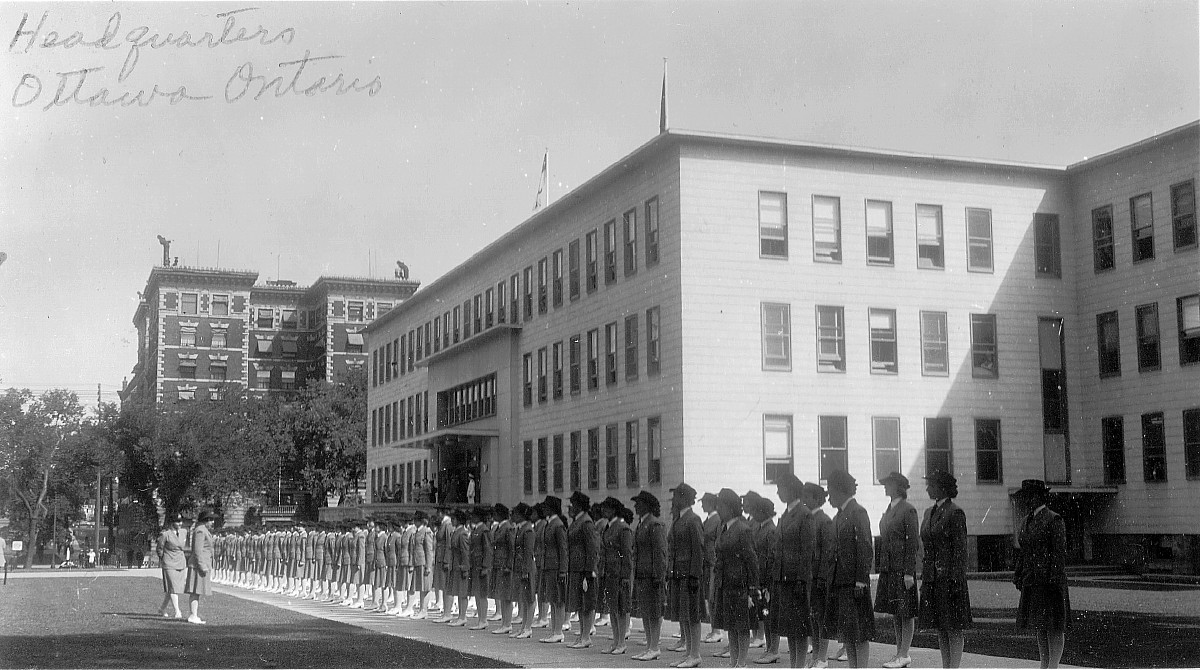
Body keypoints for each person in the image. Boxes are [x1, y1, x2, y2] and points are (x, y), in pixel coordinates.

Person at [918, 471, 972, 668]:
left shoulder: (955, 512)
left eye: (930, 485)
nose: (927, 488)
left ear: (942, 488)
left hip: (950, 580)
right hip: (932, 579)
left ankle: (954, 667)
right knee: (941, 627)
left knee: (953, 627)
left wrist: (957, 581)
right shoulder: (928, 512)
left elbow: (960, 551)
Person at [1013, 479, 1069, 669]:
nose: (1027, 500)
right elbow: (1024, 550)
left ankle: (1053, 666)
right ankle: (1044, 664)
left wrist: (1054, 582)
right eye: (1025, 497)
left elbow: (1058, 554)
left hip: (1050, 583)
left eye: (1029, 496)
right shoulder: (1027, 520)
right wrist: (1019, 574)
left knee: (1054, 627)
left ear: (1039, 496)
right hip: (1032, 580)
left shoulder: (1054, 519)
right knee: (1040, 625)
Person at [825, 471, 873, 668]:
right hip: (840, 582)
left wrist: (861, 580)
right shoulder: (839, 515)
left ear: (840, 490)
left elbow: (865, 547)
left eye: (831, 491)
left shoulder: (857, 512)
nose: (829, 497)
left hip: (854, 583)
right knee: (848, 634)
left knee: (859, 633)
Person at [711, 488, 760, 668]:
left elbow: (752, 560)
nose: (718, 509)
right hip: (726, 583)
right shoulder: (724, 528)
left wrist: (753, 587)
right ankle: (733, 661)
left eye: (721, 505)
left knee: (741, 625)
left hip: (740, 584)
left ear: (730, 507)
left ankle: (741, 662)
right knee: (730, 625)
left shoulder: (742, 529)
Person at [876, 473, 920, 669]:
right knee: (896, 611)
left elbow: (913, 544)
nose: (885, 487)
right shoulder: (889, 509)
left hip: (902, 570)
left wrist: (909, 572)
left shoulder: (908, 510)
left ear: (899, 487)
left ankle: (904, 654)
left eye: (889, 484)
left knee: (906, 611)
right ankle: (899, 652)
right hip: (889, 568)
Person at [666, 482, 705, 668]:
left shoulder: (693, 519)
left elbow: (698, 550)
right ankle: (689, 652)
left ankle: (695, 653)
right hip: (679, 574)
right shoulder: (679, 519)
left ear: (684, 498)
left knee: (693, 615)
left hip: (689, 575)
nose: (674, 500)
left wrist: (694, 576)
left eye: (676, 496)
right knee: (685, 615)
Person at [630, 490, 667, 662]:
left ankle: (654, 647)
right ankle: (650, 646)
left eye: (639, 503)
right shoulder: (642, 523)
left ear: (647, 505)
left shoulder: (654, 524)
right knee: (646, 611)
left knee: (653, 612)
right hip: (642, 574)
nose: (636, 506)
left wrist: (658, 576)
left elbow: (660, 552)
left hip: (652, 575)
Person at [566, 490, 599, 648]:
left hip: (584, 569)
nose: (570, 507)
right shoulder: (577, 521)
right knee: (580, 604)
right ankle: (582, 634)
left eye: (572, 504)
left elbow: (592, 548)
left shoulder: (586, 522)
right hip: (576, 568)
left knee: (586, 604)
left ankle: (586, 636)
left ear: (579, 506)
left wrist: (589, 570)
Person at [600, 497, 633, 655]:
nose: (603, 511)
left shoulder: (622, 527)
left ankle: (621, 643)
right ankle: (615, 641)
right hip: (610, 573)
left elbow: (627, 553)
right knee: (613, 608)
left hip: (619, 573)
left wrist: (626, 575)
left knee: (620, 609)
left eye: (606, 508)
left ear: (614, 510)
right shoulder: (609, 526)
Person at [539, 495, 568, 643]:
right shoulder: (550, 524)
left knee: (558, 600)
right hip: (549, 566)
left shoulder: (558, 525)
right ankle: (554, 630)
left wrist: (563, 570)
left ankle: (558, 631)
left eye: (546, 506)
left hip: (556, 567)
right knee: (552, 599)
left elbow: (563, 549)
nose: (543, 509)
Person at [701, 492, 726, 647]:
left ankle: (717, 631)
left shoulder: (716, 520)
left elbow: (717, 541)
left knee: (713, 596)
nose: (702, 505)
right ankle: (713, 628)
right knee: (709, 597)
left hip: (713, 563)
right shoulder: (708, 520)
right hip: (707, 562)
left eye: (704, 502)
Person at [510, 503, 537, 639]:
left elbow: (528, 552)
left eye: (515, 513)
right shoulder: (521, 529)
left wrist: (525, 570)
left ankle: (528, 628)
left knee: (530, 598)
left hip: (527, 567)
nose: (513, 516)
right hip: (521, 567)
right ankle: (523, 627)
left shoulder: (528, 530)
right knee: (524, 598)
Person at [184, 510, 216, 624]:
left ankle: (194, 615)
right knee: (195, 591)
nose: (212, 522)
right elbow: (197, 551)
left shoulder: (203, 530)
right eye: (211, 520)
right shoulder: (200, 531)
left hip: (201, 564)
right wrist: (202, 566)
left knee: (197, 591)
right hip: (198, 566)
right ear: (206, 520)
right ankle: (193, 615)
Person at [156, 512, 189, 619]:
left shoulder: (184, 532)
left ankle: (162, 608)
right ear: (172, 522)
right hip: (169, 563)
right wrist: (164, 558)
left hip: (180, 563)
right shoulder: (165, 534)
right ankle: (177, 611)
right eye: (177, 521)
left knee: (172, 588)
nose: (180, 523)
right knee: (173, 587)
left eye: (181, 521)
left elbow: (185, 547)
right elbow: (159, 548)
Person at [468, 506, 495, 630]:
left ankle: (483, 619)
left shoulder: (483, 530)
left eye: (474, 515)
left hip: (480, 565)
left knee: (481, 593)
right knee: (478, 593)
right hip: (475, 564)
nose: (472, 517)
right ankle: (481, 618)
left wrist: (485, 566)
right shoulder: (477, 529)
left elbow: (488, 549)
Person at [491, 504, 516, 634]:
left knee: (506, 595)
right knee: (502, 594)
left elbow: (512, 548)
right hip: (498, 563)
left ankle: (507, 623)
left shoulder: (508, 528)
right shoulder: (500, 527)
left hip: (504, 564)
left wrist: (509, 565)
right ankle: (504, 622)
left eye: (495, 513)